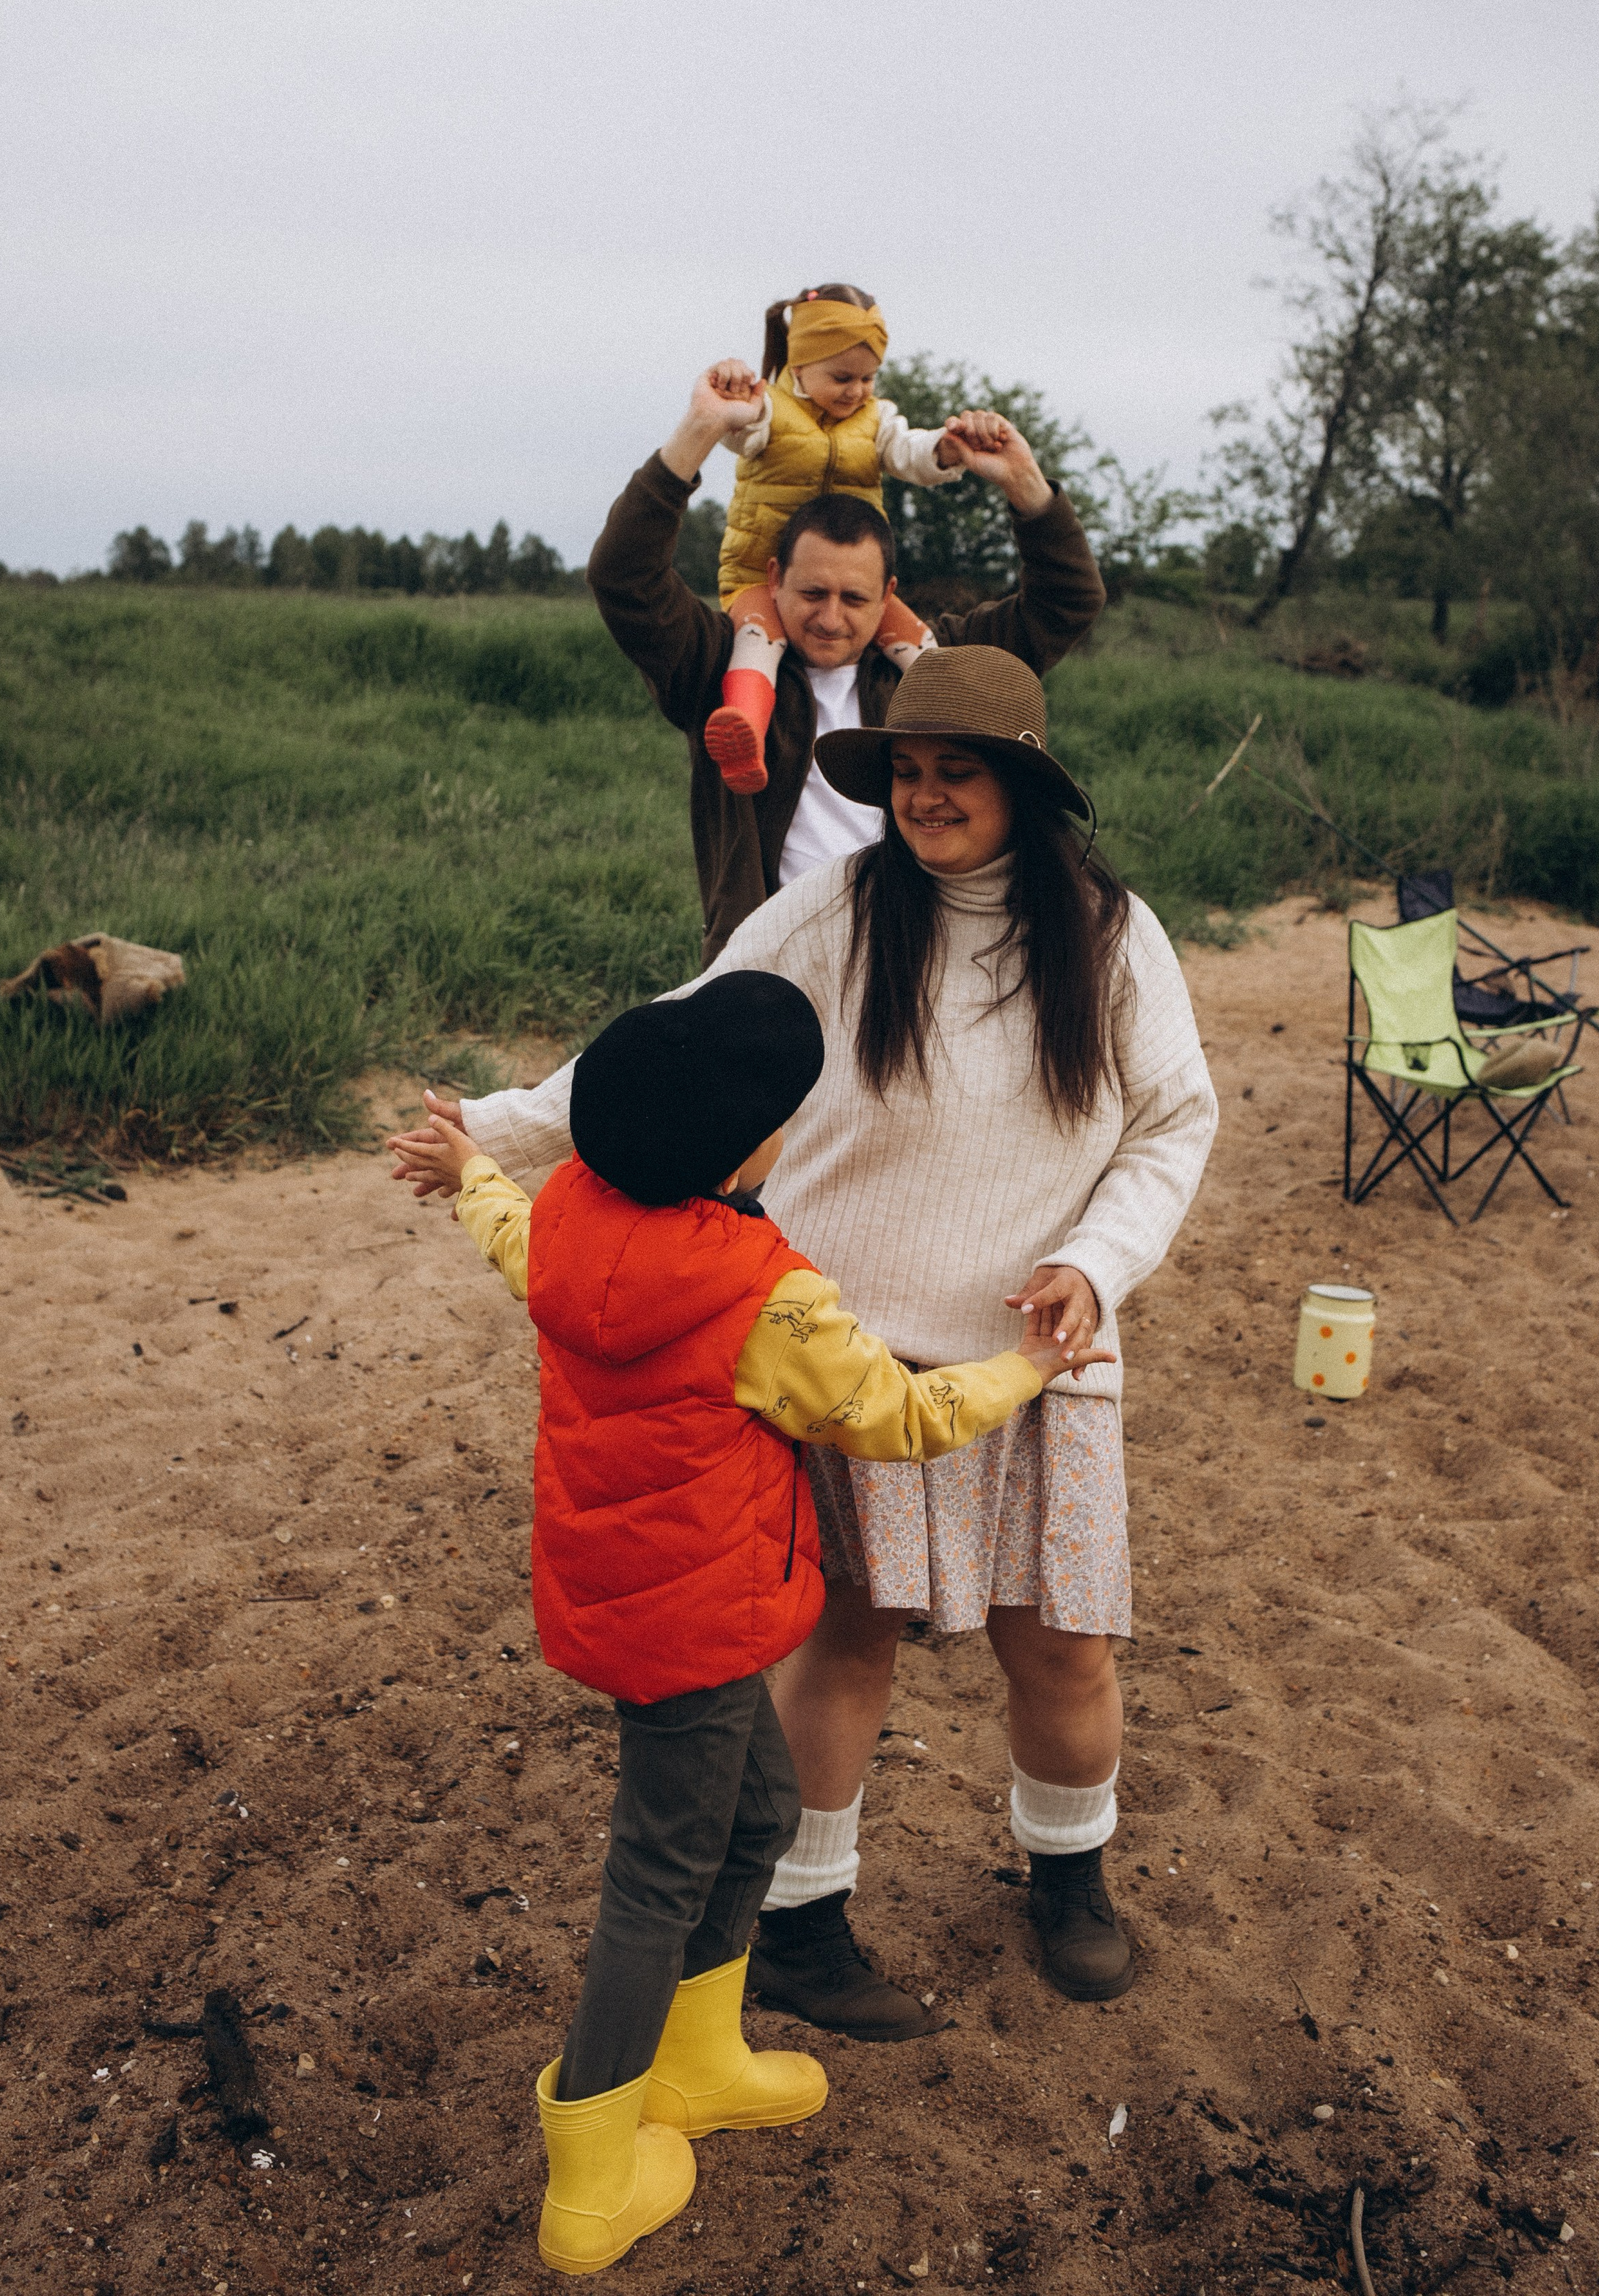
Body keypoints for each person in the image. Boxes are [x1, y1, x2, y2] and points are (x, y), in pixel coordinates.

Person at [449, 648, 1217, 2041]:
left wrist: (1095, 1266)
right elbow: (680, 1041)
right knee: (843, 1639)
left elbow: (1175, 1123)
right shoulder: (842, 907)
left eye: (956, 773)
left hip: (1042, 1346)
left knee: (1063, 1649)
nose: (924, 798)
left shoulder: (1110, 937)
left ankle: (1068, 1878)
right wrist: (487, 1130)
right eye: (904, 772)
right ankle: (803, 1924)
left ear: (1024, 790)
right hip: (845, 1347)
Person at [388, 971, 1067, 2275]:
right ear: (750, 1149)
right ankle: (590, 2171)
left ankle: (693, 2064)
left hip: (631, 1594)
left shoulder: (576, 1222)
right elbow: (901, 1418)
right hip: (689, 1620)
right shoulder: (764, 1297)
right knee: (656, 1878)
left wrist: (475, 1163)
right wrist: (1030, 1366)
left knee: (758, 1816)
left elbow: (505, 1231)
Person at [588, 360, 1107, 964]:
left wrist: (1024, 484)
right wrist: (700, 430)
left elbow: (1068, 601)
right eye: (812, 594)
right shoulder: (713, 666)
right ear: (775, 578)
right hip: (769, 963)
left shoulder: (943, 670)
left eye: (855, 599)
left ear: (888, 595)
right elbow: (623, 575)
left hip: (922, 950)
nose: (831, 618)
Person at [703, 282, 1010, 794]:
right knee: (757, 644)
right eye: (842, 377)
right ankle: (745, 735)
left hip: (853, 576)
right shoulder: (769, 410)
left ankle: (968, 733)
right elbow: (739, 431)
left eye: (868, 378)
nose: (858, 391)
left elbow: (910, 452)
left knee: (918, 646)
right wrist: (732, 396)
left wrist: (948, 450)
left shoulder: (877, 419)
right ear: (799, 367)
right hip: (763, 573)